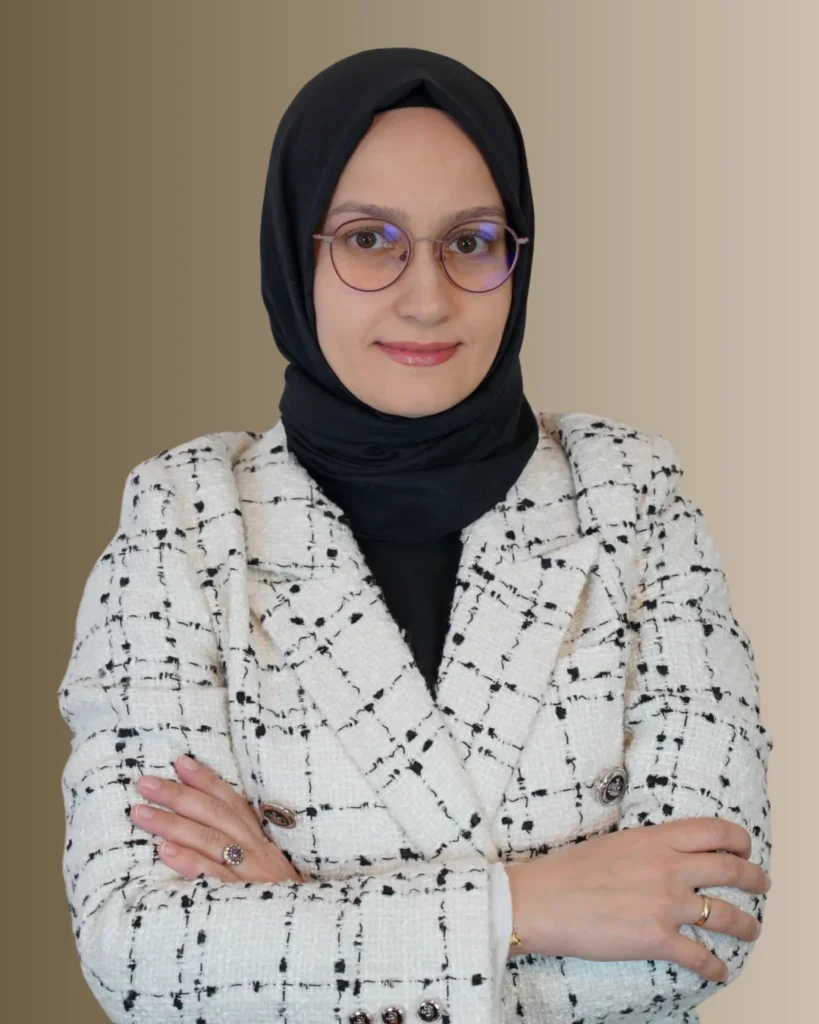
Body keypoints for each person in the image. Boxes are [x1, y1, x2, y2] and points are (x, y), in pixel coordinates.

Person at [58, 47, 773, 1024]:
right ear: (294, 254)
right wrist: (525, 907)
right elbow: (142, 954)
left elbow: (710, 921)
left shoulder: (631, 495)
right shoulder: (184, 516)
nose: (427, 297)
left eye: (471, 241)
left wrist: (295, 917)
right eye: (368, 239)